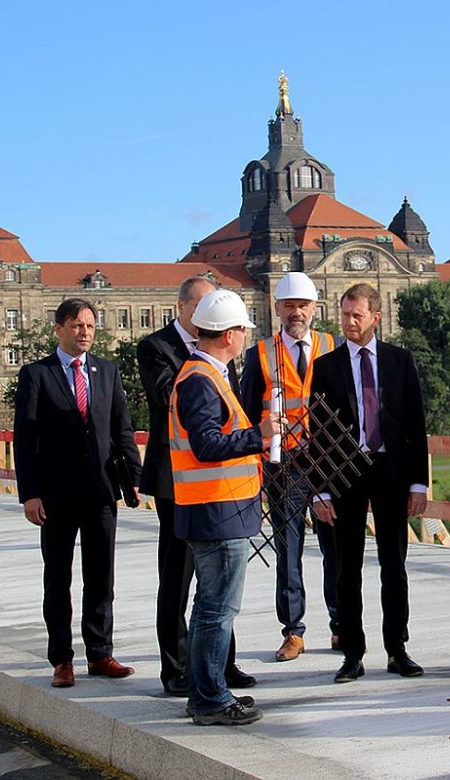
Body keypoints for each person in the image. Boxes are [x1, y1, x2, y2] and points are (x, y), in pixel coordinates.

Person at [13, 297, 142, 688]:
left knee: (101, 576)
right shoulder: (37, 374)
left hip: (101, 490)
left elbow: (122, 428)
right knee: (58, 578)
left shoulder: (107, 371)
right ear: (59, 329)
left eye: (89, 326)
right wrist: (29, 493)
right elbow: (25, 438)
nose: (84, 332)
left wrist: (133, 476)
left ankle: (100, 654)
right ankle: (62, 659)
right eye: (76, 326)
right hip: (55, 494)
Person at [169, 289, 284, 726]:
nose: (243, 338)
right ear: (231, 334)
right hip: (217, 510)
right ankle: (211, 699)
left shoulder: (205, 374)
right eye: (242, 330)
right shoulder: (201, 379)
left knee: (208, 608)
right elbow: (207, 445)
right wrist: (259, 435)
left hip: (216, 509)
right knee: (217, 610)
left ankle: (207, 691)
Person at [137, 276, 253, 696]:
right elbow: (177, 403)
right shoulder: (160, 349)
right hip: (177, 479)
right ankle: (177, 668)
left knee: (216, 586)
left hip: (219, 485)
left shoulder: (219, 361)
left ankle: (221, 664)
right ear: (184, 307)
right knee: (178, 577)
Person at [310, 283, 429, 684]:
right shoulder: (326, 367)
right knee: (347, 568)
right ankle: (352, 654)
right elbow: (317, 434)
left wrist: (419, 483)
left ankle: (397, 649)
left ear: (376, 317)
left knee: (394, 566)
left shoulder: (400, 361)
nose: (349, 322)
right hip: (345, 473)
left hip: (391, 472)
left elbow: (416, 426)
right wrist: (320, 489)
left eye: (357, 315)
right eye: (345, 314)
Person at [239, 271, 339, 662]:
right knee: (288, 548)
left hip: (330, 460)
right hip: (284, 465)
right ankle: (293, 631)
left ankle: (340, 623)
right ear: (277, 308)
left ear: (314, 307)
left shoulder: (333, 346)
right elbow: (248, 416)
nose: (296, 312)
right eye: (289, 305)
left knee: (337, 548)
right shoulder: (260, 354)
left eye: (303, 305)